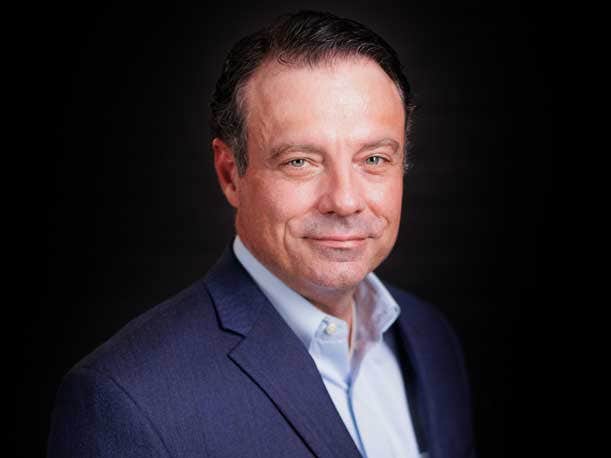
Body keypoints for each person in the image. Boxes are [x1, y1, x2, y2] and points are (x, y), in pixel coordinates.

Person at [48, 10, 475, 458]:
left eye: (374, 159)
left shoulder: (430, 339)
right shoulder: (123, 401)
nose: (345, 200)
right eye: (299, 161)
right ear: (230, 174)